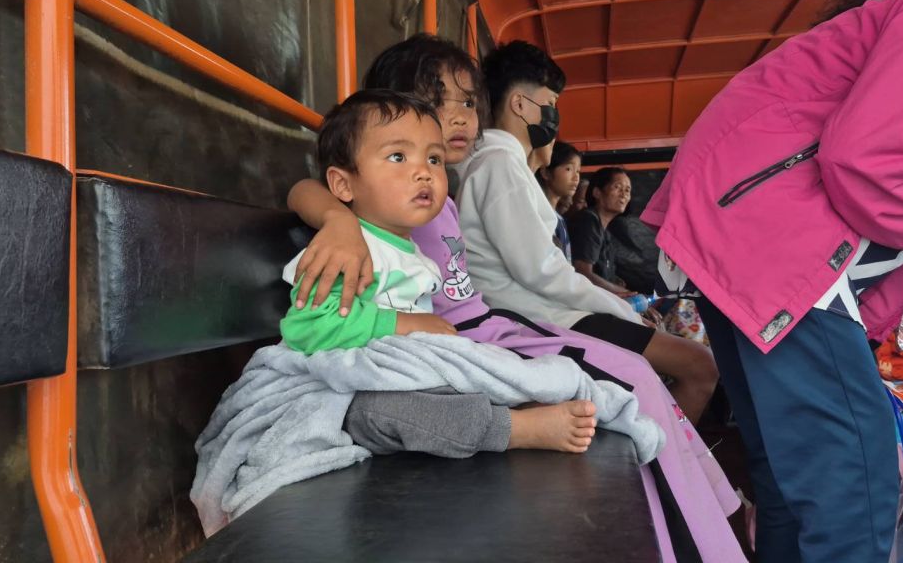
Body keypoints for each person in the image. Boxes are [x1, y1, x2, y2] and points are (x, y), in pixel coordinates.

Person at [286, 33, 746, 562]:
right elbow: (307, 193)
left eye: (467, 102)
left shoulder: (430, 199)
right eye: (433, 103)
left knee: (627, 380)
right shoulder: (386, 213)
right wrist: (336, 219)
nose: (457, 117)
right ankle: (692, 523)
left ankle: (698, 517)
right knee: (626, 379)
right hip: (463, 340)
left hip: (475, 332)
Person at [638, 0, 903, 561]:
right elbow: (865, 158)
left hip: (748, 244)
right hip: (779, 250)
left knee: (794, 480)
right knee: (854, 484)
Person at [281, 89, 599, 456]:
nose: (424, 172)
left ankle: (517, 403)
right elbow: (307, 327)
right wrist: (402, 324)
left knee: (471, 381)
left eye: (434, 158)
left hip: (399, 377)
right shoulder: (347, 250)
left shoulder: (413, 253)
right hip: (347, 395)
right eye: (398, 156)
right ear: (343, 184)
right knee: (389, 410)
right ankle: (515, 429)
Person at [453, 40, 718, 425]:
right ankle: (664, 456)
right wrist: (619, 309)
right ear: (520, 105)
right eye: (551, 102)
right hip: (538, 317)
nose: (554, 115)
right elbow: (541, 271)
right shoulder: (499, 165)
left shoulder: (501, 165)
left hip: (546, 309)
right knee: (699, 366)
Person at [569, 166, 636, 296]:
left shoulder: (604, 231)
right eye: (617, 187)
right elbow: (582, 273)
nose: (624, 194)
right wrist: (625, 293)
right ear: (597, 192)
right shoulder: (588, 221)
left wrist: (615, 282)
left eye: (627, 190)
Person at [537, 140, 582, 261]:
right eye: (568, 169)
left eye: (578, 171)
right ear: (546, 173)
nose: (576, 177)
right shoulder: (538, 215)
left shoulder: (559, 219)